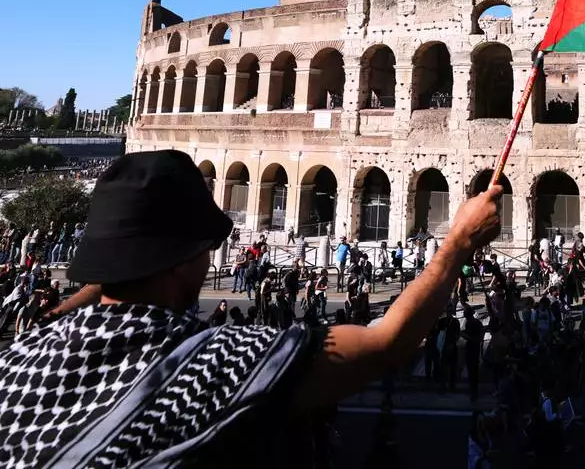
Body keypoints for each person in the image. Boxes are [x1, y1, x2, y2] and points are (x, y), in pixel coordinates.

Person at [0, 149, 502, 464]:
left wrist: (115, 260)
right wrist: (458, 241)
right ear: (185, 259)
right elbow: (386, 342)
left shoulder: (21, 358)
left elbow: (98, 293)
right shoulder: (214, 365)